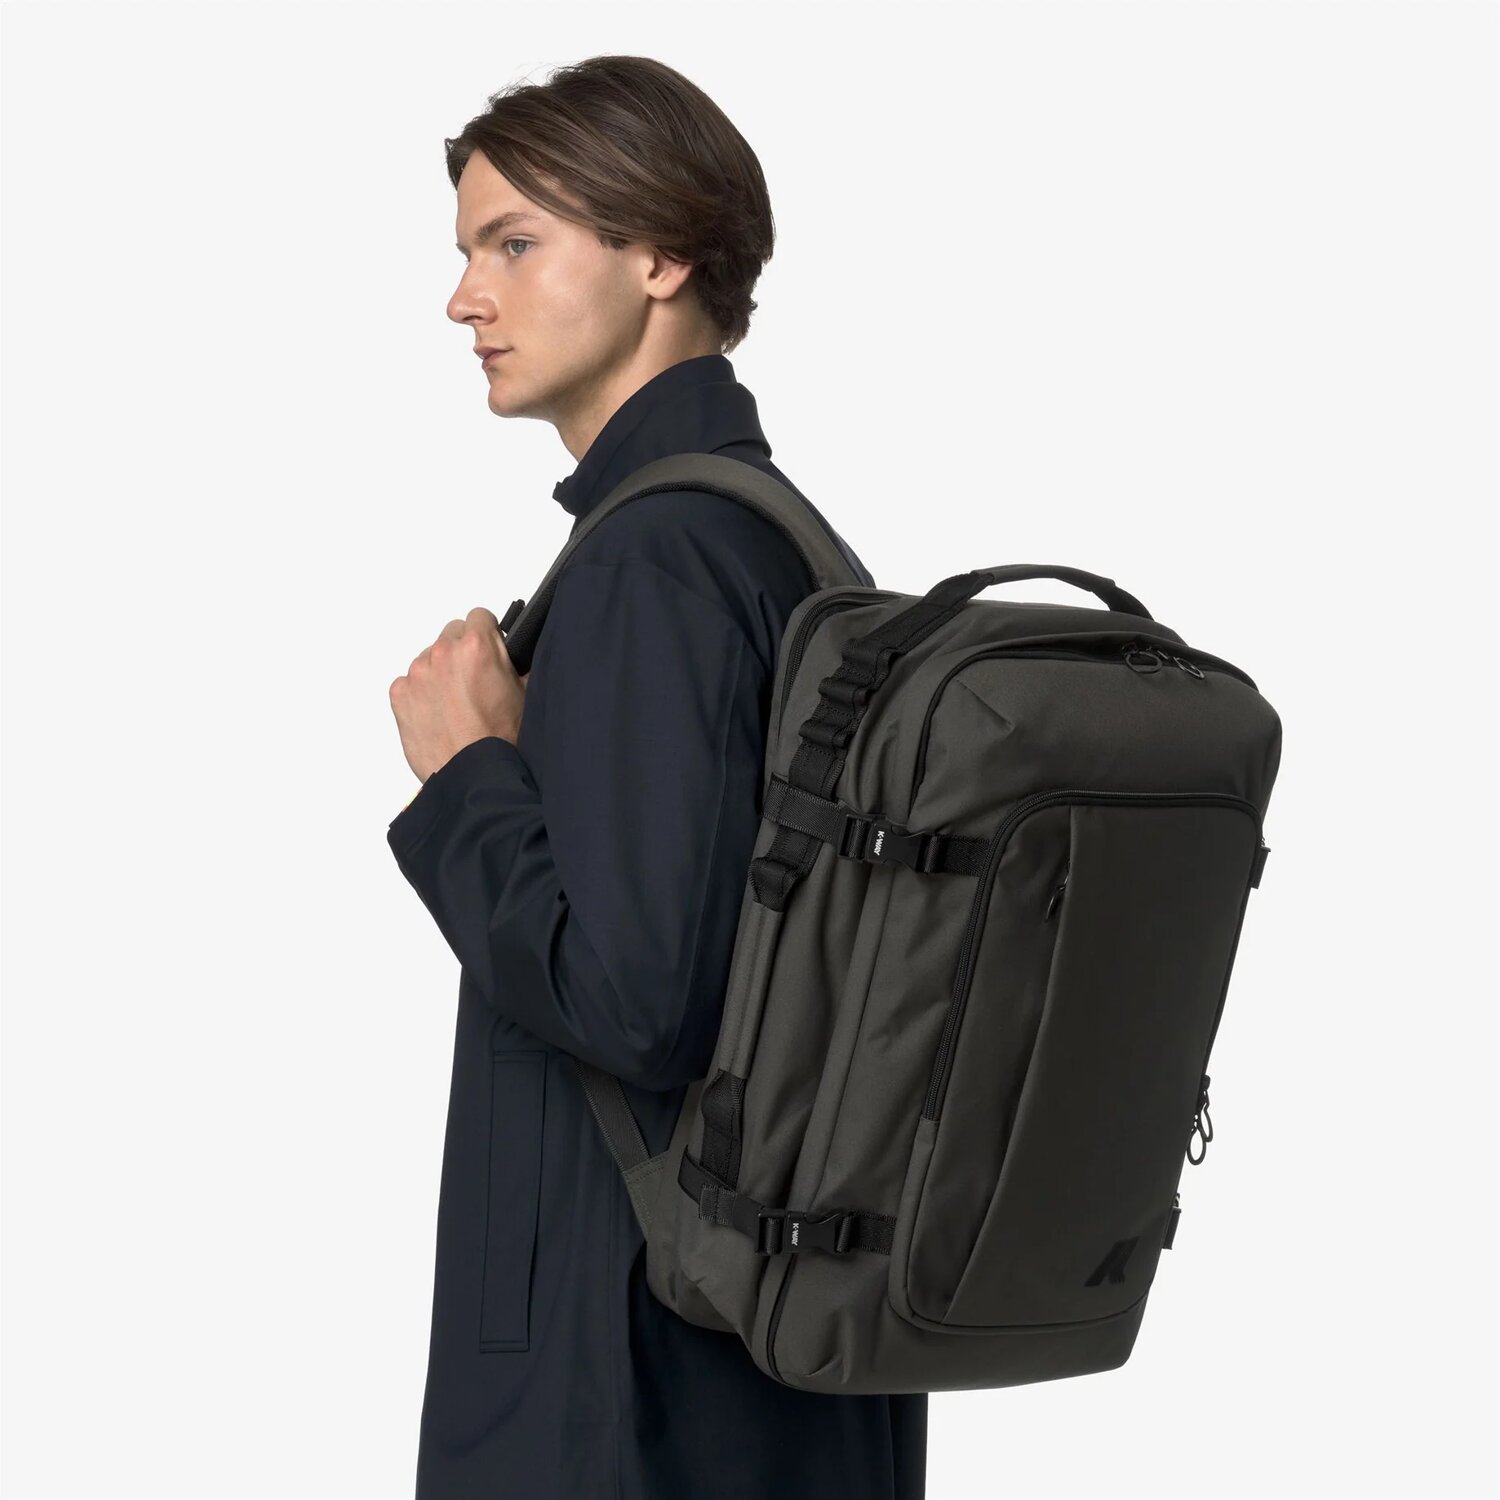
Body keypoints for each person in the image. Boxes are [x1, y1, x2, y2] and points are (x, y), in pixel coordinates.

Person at [385, 55, 928, 1499]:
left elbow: (639, 1004)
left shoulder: (657, 563)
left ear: (661, 256)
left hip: (628, 1386)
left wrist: (466, 779)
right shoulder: (783, 545)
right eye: (466, 252)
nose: (465, 299)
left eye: (513, 244)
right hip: (768, 1357)